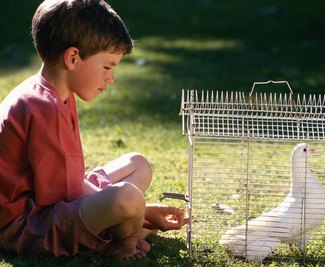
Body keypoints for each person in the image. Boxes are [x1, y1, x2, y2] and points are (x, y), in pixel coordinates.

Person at [0, 0, 188, 260]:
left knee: (137, 164)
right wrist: (140, 212)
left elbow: (70, 181)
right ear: (73, 58)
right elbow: (64, 194)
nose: (111, 78)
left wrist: (138, 211)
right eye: (107, 67)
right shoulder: (44, 107)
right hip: (25, 227)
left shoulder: (52, 92)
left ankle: (128, 225)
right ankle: (124, 241)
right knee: (128, 199)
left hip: (48, 200)